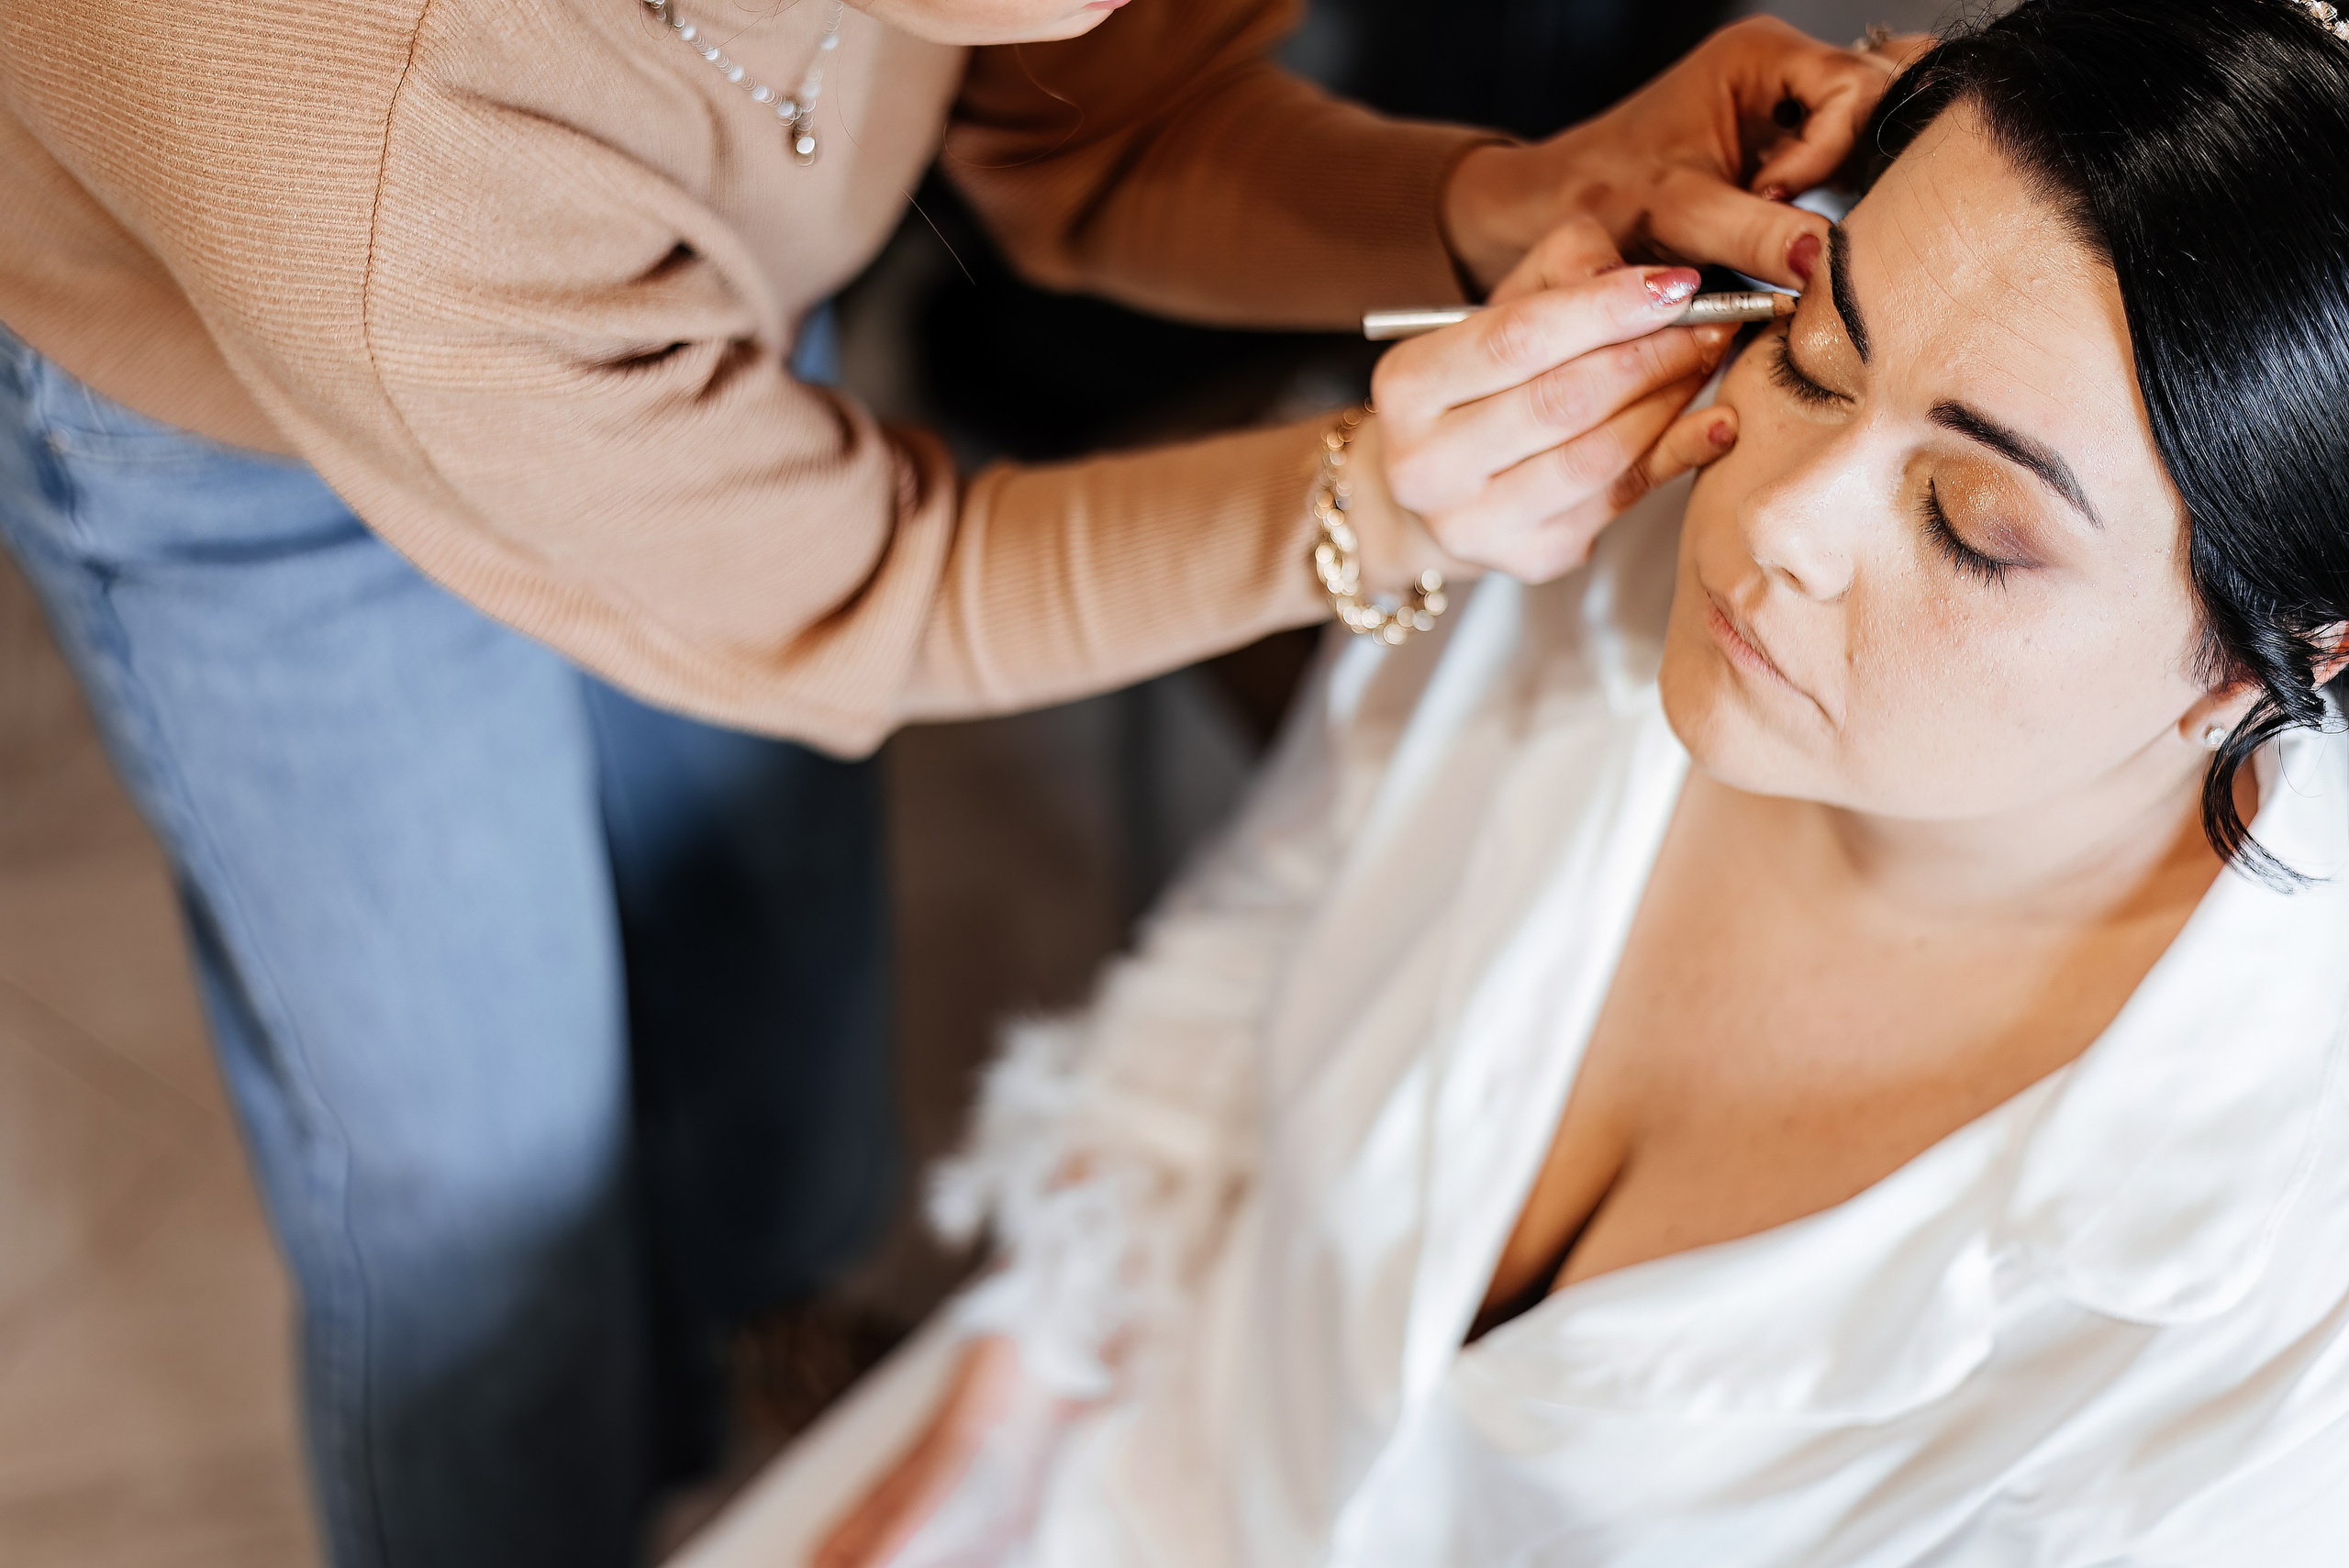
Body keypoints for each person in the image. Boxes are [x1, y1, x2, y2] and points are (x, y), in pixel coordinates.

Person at [0, 0, 1909, 1562]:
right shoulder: (379, 123)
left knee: (763, 915)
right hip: (263, 454)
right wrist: (1373, 506)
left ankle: (755, 1348)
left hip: (655, 304)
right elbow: (874, 593)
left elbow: (1103, 137)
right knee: (478, 1172)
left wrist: (1504, 200)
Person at [671, 1, 2349, 1562]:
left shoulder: (2282, 1324)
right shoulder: (1595, 547)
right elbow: (1266, 930)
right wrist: (1020, 1379)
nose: (1777, 518)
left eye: (1974, 526)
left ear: (2272, 657)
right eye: (1814, 353)